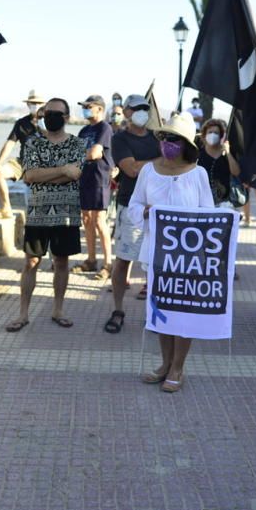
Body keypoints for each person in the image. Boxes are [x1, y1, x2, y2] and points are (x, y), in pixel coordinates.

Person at [127, 112, 214, 392]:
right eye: (164, 137)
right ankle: (165, 363)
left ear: (186, 142)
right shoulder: (148, 171)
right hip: (156, 255)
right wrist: (146, 212)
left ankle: (178, 366)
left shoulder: (198, 173)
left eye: (174, 138)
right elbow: (133, 206)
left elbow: (208, 216)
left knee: (183, 313)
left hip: (187, 259)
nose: (167, 143)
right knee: (161, 311)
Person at [5, 97, 86, 332]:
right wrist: (62, 170)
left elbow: (76, 174)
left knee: (61, 262)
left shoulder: (77, 144)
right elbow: (29, 176)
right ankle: (22, 314)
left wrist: (47, 174)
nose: (51, 116)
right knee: (30, 262)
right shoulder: (32, 143)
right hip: (37, 212)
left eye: (56, 113)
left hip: (66, 213)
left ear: (67, 117)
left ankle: (58, 310)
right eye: (47, 112)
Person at [106, 95, 161, 332]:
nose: (141, 112)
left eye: (145, 108)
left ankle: (156, 313)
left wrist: (152, 162)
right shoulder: (119, 139)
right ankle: (118, 309)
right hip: (132, 207)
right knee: (124, 260)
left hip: (158, 208)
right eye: (136, 108)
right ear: (126, 112)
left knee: (158, 263)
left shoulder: (158, 138)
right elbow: (131, 170)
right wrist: (162, 160)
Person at [73, 95, 114, 279]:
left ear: (99, 109)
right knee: (87, 219)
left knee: (99, 220)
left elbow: (95, 153)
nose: (86, 109)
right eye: (84, 106)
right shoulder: (83, 131)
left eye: (89, 106)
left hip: (99, 178)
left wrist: (79, 155)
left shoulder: (104, 128)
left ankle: (108, 264)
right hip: (84, 179)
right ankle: (91, 260)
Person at [0, 91, 45, 219]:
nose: (35, 106)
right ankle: (6, 208)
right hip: (23, 162)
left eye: (38, 103)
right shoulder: (21, 123)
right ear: (28, 105)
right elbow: (10, 143)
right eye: (32, 103)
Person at [197, 118, 241, 206]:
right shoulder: (198, 154)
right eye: (210, 132)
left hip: (224, 203)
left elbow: (236, 173)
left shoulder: (226, 153)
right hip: (201, 201)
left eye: (216, 133)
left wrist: (228, 153)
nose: (213, 135)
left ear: (221, 136)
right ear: (204, 135)